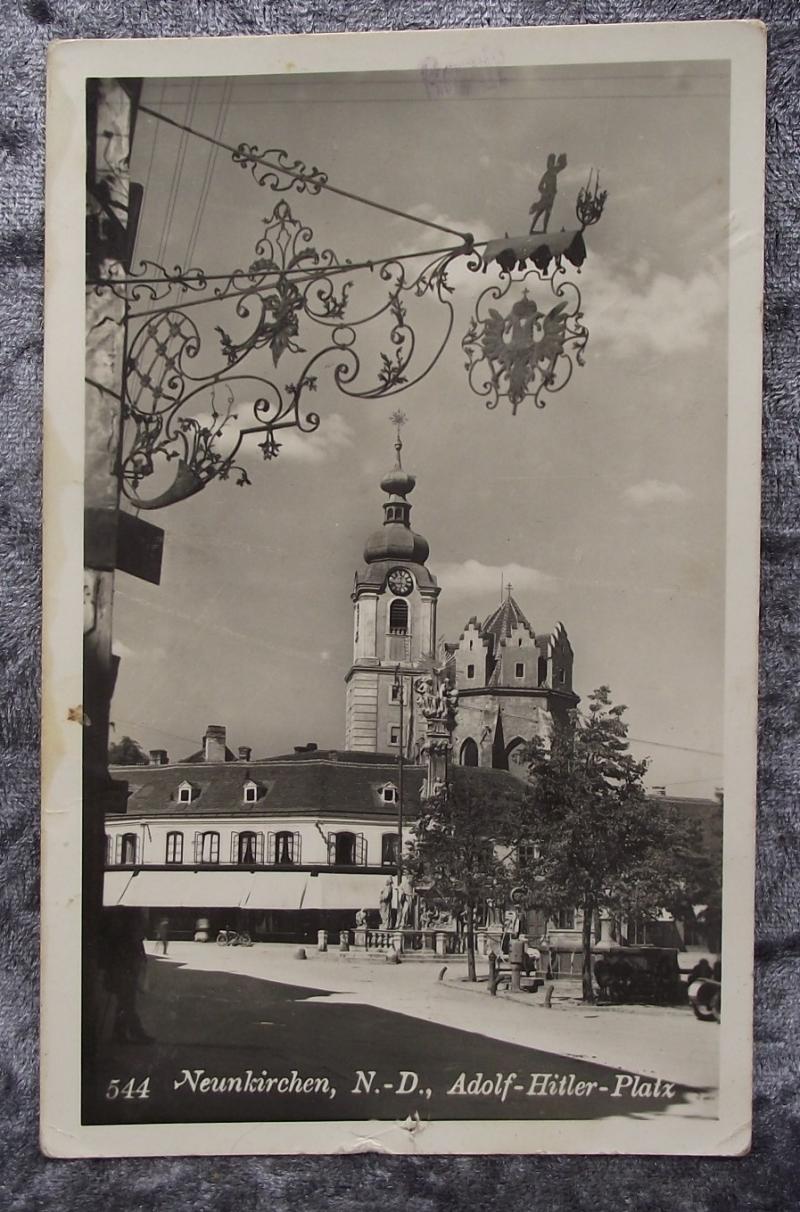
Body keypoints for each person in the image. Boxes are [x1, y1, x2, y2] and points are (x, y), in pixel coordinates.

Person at [100, 910, 153, 1045]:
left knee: (124, 1002)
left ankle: (120, 1033)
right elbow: (133, 944)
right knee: (127, 1002)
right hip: (124, 968)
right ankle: (136, 1033)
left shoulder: (123, 921)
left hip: (124, 967)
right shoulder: (127, 923)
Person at [529, 152, 567, 234]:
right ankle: (532, 229)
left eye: (552, 163)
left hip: (551, 198)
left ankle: (544, 230)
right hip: (545, 198)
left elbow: (561, 167)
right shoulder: (546, 175)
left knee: (547, 215)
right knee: (539, 213)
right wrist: (545, 193)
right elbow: (539, 187)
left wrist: (562, 160)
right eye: (550, 163)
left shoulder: (554, 172)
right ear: (548, 164)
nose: (551, 165)